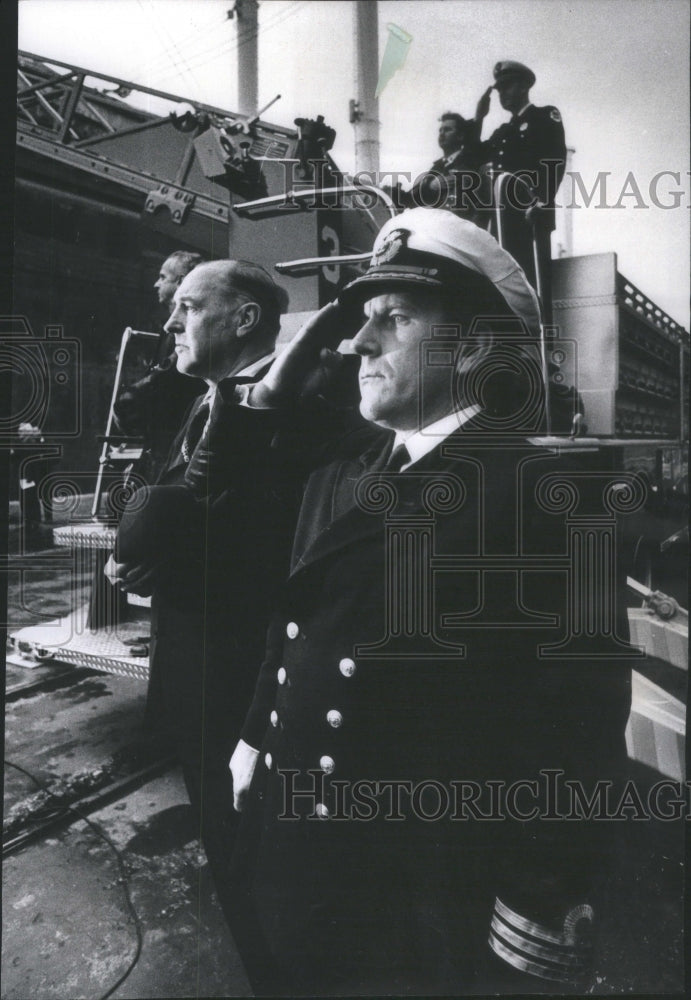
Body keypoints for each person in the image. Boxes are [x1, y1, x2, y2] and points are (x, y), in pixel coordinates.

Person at [223, 208, 633, 995]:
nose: (359, 343)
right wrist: (253, 742)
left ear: (472, 347)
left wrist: (533, 911)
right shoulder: (338, 474)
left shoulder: (542, 497)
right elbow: (297, 625)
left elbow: (572, 729)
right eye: (363, 319)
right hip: (295, 846)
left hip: (408, 895)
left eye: (395, 319)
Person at [104, 259, 297, 929]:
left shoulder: (295, 410)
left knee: (254, 859)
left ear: (244, 318)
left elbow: (272, 552)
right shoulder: (205, 398)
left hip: (245, 679)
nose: (170, 322)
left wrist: (171, 557)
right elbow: (192, 508)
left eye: (188, 306)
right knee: (221, 836)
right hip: (195, 665)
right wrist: (144, 558)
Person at [473, 61, 566, 321]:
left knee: (532, 283)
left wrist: (541, 202)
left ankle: (540, 348)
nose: (503, 94)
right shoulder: (503, 131)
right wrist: (478, 118)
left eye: (508, 86)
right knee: (504, 284)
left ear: (525, 85)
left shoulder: (543, 116)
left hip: (529, 216)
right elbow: (473, 157)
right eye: (499, 89)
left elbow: (554, 160)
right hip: (502, 219)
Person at [113, 250, 206, 481]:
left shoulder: (184, 329)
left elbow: (166, 376)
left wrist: (127, 402)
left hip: (170, 437)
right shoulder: (174, 327)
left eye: (163, 277)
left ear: (182, 281)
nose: (156, 284)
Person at [404, 112, 478, 214]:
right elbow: (411, 200)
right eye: (440, 130)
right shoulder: (437, 166)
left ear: (460, 136)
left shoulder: (470, 162)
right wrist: (431, 187)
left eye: (447, 130)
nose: (442, 134)